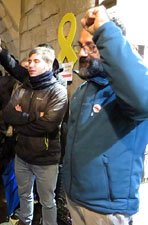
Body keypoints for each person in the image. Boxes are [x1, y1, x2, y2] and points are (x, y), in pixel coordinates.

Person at [62, 6, 148, 225]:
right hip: (76, 199)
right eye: (81, 46)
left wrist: (105, 30)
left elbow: (143, 101)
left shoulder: (126, 91)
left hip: (107, 208)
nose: (82, 53)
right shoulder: (84, 89)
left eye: (92, 46)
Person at [0, 45, 68, 225]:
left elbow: (48, 125)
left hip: (46, 158)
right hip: (22, 154)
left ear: (48, 64)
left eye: (36, 61)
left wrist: (20, 119)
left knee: (47, 201)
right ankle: (25, 220)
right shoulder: (23, 88)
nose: (30, 65)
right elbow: (7, 114)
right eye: (29, 61)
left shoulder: (57, 91)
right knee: (24, 194)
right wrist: (33, 117)